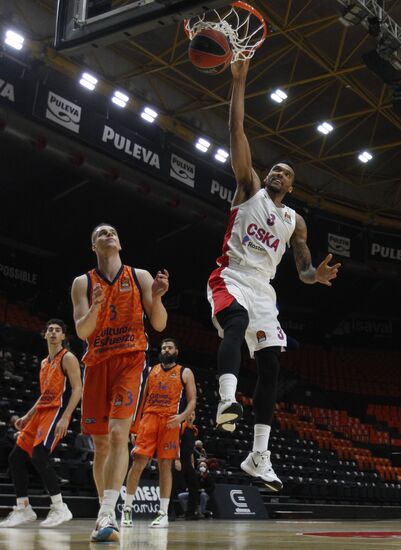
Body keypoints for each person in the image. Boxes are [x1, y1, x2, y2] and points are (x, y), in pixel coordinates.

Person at [207, 60, 341, 492]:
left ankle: (258, 456)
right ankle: (227, 399)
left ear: (293, 185)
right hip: (231, 275)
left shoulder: (295, 222)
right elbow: (236, 133)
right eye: (276, 168)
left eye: (286, 172)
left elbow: (301, 268)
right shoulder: (249, 187)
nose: (278, 172)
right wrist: (240, 82)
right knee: (236, 322)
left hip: (264, 289)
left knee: (271, 364)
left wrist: (313, 275)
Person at [71, 223, 169, 543]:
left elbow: (158, 323)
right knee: (100, 444)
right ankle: (105, 512)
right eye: (101, 233)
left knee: (118, 433)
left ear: (120, 243)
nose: (108, 234)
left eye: (112, 232)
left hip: (130, 360)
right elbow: (83, 332)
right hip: (97, 363)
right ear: (94, 247)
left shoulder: (138, 275)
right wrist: (97, 306)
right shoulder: (82, 283)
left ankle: (107, 512)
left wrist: (156, 297)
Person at [0, 319, 81, 528]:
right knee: (16, 457)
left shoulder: (68, 358)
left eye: (58, 331)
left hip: (56, 411)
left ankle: (60, 507)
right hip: (41, 412)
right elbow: (44, 394)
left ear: (64, 336)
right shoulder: (45, 362)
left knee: (38, 456)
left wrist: (66, 417)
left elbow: (78, 389)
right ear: (44, 334)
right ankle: (24, 508)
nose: (53, 333)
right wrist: (27, 416)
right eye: (50, 330)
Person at [122, 338, 196, 529]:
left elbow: (192, 401)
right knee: (138, 462)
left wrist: (182, 418)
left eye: (170, 347)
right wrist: (134, 427)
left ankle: (162, 513)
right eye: (163, 347)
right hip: (149, 420)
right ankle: (127, 509)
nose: (166, 349)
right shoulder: (150, 370)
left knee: (165, 466)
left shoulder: (185, 372)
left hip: (170, 422)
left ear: (176, 351)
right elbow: (140, 399)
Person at [179, 411, 200, 519]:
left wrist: (192, 463)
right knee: (174, 486)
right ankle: (168, 512)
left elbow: (191, 450)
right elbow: (176, 444)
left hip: (188, 462)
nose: (191, 417)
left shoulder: (194, 431)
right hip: (179, 461)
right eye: (189, 415)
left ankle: (191, 513)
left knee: (194, 486)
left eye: (193, 415)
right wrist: (176, 460)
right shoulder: (181, 428)